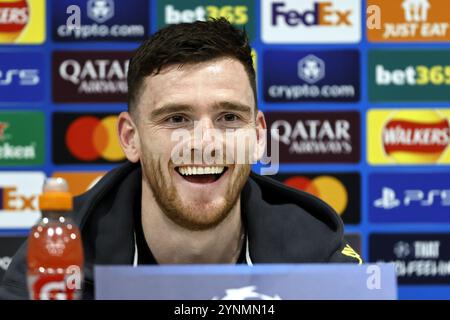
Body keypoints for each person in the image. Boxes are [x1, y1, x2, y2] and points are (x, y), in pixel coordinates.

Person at [0, 18, 361, 300]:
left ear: (258, 137)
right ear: (131, 139)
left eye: (229, 118)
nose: (204, 143)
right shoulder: (55, 260)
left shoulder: (318, 261)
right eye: (176, 119)